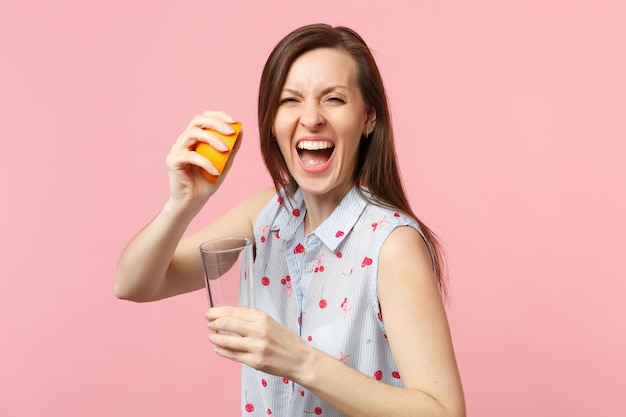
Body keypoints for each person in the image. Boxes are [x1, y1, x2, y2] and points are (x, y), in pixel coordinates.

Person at [115, 23, 465, 417]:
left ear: (368, 118)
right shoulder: (264, 216)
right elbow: (132, 284)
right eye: (290, 100)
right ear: (272, 122)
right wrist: (182, 204)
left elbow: (444, 413)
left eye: (333, 99)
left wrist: (298, 360)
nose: (311, 118)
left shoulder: (393, 245)